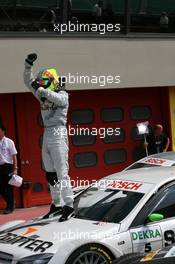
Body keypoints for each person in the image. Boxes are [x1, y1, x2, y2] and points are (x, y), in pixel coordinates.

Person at [23, 53, 74, 221]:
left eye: (44, 81)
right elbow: (28, 82)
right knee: (50, 173)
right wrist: (28, 66)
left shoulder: (63, 94)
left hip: (59, 132)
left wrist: (42, 90)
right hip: (47, 132)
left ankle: (69, 205)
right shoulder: (43, 93)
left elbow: (58, 99)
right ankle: (56, 203)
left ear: (52, 81)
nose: (41, 85)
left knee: (62, 172)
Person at [0, 125, 18, 214]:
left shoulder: (9, 142)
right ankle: (11, 202)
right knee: (1, 188)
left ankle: (9, 207)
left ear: (3, 131)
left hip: (8, 166)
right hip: (0, 167)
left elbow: (14, 156)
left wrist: (15, 169)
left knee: (8, 188)